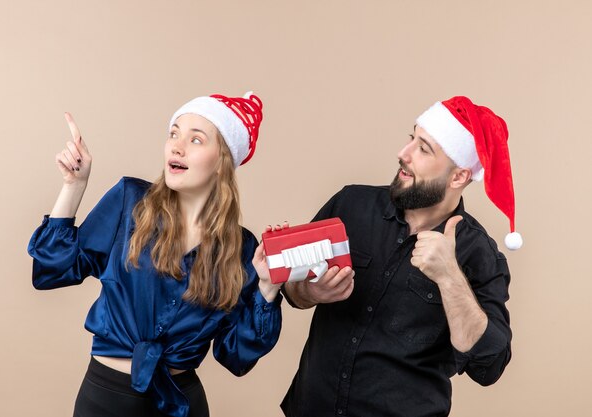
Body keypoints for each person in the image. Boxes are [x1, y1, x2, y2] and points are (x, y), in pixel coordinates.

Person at [27, 92, 282, 417]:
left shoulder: (243, 249)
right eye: (174, 133)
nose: (177, 146)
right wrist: (74, 186)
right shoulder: (130, 203)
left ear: (222, 161)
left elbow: (236, 356)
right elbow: (53, 270)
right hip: (105, 400)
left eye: (196, 139)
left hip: (181, 403)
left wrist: (268, 288)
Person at [280, 96, 519, 417]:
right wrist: (309, 291)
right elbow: (291, 288)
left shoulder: (478, 254)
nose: (403, 154)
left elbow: (489, 367)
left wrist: (450, 278)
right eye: (412, 139)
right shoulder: (349, 205)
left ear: (459, 177)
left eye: (423, 149)